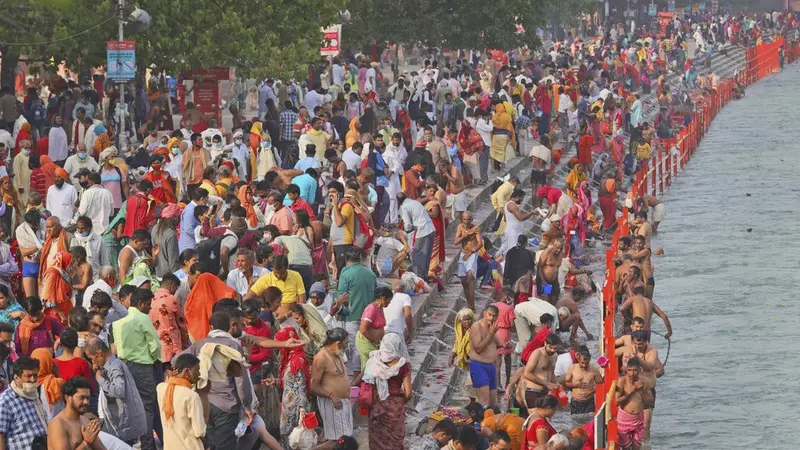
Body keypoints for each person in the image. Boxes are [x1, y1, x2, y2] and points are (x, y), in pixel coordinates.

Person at [174, 311, 254, 450]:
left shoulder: (199, 345)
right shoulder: (233, 346)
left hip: (204, 402)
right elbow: (241, 381)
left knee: (212, 444)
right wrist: (247, 405)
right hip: (227, 404)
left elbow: (175, 360)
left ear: (211, 327)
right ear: (228, 326)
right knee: (226, 445)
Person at [111, 288, 161, 450]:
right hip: (143, 367)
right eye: (147, 304)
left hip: (126, 366)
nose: (149, 308)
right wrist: (152, 359)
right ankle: (149, 445)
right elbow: (154, 345)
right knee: (148, 406)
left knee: (136, 406)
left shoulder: (118, 322)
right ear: (140, 304)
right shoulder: (142, 318)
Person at [85, 337, 147, 446]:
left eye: (92, 358)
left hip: (126, 425)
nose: (92, 362)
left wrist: (100, 379)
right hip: (121, 424)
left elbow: (119, 390)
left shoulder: (114, 366)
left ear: (99, 354)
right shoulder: (109, 366)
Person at [363, 333, 412, 450]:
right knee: (395, 441)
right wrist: (398, 402)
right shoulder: (403, 365)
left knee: (377, 439)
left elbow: (366, 382)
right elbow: (408, 393)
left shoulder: (374, 361)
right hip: (395, 407)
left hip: (376, 405)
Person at [331, 248, 375, 375]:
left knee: (355, 346)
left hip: (351, 315)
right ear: (360, 259)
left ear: (346, 261)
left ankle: (356, 374)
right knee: (365, 345)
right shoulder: (370, 274)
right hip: (368, 316)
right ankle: (363, 372)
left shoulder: (346, 274)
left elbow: (341, 296)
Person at [310, 328, 354, 441]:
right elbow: (313, 386)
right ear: (338, 344)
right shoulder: (321, 358)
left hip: (343, 402)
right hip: (332, 403)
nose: (347, 345)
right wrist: (331, 396)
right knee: (337, 440)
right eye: (346, 343)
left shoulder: (338, 354)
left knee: (346, 437)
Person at [157, 353, 205, 450]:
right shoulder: (191, 396)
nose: (199, 374)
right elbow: (199, 431)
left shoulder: (161, 388)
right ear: (187, 371)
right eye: (197, 370)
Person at [0, 357, 49, 449]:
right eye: (28, 376)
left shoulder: (34, 395)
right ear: (16, 377)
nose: (33, 379)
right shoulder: (5, 401)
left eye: (35, 375)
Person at [274, 326, 310, 447]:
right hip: (288, 406)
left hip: (295, 408)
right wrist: (275, 381)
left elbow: (301, 386)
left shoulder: (297, 361)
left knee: (292, 437)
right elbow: (290, 381)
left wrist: (302, 410)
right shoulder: (290, 358)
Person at [47, 376, 105, 450]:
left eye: (88, 398)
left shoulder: (85, 420)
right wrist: (86, 442)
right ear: (67, 397)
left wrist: (92, 441)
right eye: (82, 397)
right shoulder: (57, 424)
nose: (86, 402)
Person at [245, 255, 305, 320]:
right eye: (276, 273)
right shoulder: (266, 279)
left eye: (282, 273)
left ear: (287, 268)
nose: (279, 276)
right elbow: (247, 298)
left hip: (294, 317)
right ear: (272, 268)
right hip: (274, 319)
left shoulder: (296, 276)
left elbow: (302, 302)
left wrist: (287, 315)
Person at [397, 192, 435, 279]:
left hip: (423, 231)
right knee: (426, 254)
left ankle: (419, 277)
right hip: (430, 228)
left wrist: (404, 233)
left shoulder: (404, 207)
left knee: (418, 254)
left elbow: (407, 225)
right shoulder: (414, 202)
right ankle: (424, 276)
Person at [468, 305, 501, 406]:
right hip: (478, 366)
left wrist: (504, 344)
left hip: (491, 367)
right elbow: (478, 348)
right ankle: (481, 421)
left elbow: (495, 344)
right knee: (484, 401)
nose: (491, 318)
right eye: (489, 315)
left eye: (494, 316)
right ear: (484, 314)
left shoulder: (493, 327)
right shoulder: (476, 327)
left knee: (493, 403)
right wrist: (491, 333)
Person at [355, 286, 392, 374]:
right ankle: (365, 385)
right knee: (370, 366)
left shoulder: (380, 308)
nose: (389, 303)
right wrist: (373, 340)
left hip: (374, 342)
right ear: (383, 298)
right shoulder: (371, 308)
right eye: (389, 300)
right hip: (366, 342)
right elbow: (363, 329)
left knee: (375, 366)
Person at [615, 358, 648, 450]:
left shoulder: (644, 381)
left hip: (639, 419)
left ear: (639, 370)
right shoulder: (622, 381)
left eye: (635, 370)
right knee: (626, 447)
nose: (632, 373)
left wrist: (642, 390)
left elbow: (649, 402)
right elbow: (616, 402)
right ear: (626, 370)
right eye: (629, 370)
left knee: (637, 447)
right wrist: (631, 391)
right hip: (624, 419)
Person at [523, 334, 561, 410]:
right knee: (536, 418)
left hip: (546, 392)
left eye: (555, 348)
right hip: (533, 391)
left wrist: (558, 385)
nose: (552, 350)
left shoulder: (555, 355)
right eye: (550, 347)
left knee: (547, 419)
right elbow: (526, 373)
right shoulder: (537, 353)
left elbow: (552, 373)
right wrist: (546, 383)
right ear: (545, 344)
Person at [563, 348, 603, 415]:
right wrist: (575, 385)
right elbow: (565, 383)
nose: (584, 365)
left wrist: (589, 393)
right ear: (578, 360)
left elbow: (601, 385)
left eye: (586, 363)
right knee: (575, 422)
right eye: (582, 363)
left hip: (589, 401)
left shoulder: (594, 370)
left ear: (589, 360)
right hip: (575, 402)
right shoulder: (572, 368)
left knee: (589, 420)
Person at [30, 348, 65, 419]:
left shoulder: (28, 385)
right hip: (58, 424)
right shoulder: (55, 383)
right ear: (49, 362)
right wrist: (58, 373)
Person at [76, 171, 114, 236]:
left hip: (91, 230)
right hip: (105, 230)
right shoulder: (108, 193)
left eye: (88, 181)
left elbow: (82, 212)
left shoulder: (87, 193)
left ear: (91, 182)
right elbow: (111, 213)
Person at [421, 183, 446, 280]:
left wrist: (422, 211)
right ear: (426, 191)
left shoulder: (434, 202)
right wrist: (427, 199)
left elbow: (434, 214)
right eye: (430, 191)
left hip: (434, 227)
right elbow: (417, 201)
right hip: (427, 227)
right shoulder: (426, 200)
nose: (432, 193)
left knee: (433, 248)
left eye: (434, 192)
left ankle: (432, 270)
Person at [498, 189, 533, 256]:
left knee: (510, 250)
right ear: (517, 197)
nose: (522, 201)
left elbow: (506, 219)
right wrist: (531, 213)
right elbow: (521, 218)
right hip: (512, 232)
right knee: (513, 251)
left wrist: (526, 213)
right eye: (521, 198)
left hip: (513, 231)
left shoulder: (510, 204)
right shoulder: (512, 205)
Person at [154, 203, 181, 277]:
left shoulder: (155, 228)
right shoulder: (171, 234)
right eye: (178, 216)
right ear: (174, 217)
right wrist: (177, 278)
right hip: (169, 276)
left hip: (158, 272)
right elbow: (173, 261)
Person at [536, 240, 564, 304]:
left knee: (554, 303)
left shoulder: (561, 254)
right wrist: (543, 280)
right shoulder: (547, 252)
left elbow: (557, 268)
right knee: (546, 303)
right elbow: (539, 267)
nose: (559, 250)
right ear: (553, 246)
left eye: (561, 248)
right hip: (545, 281)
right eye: (557, 247)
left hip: (554, 282)